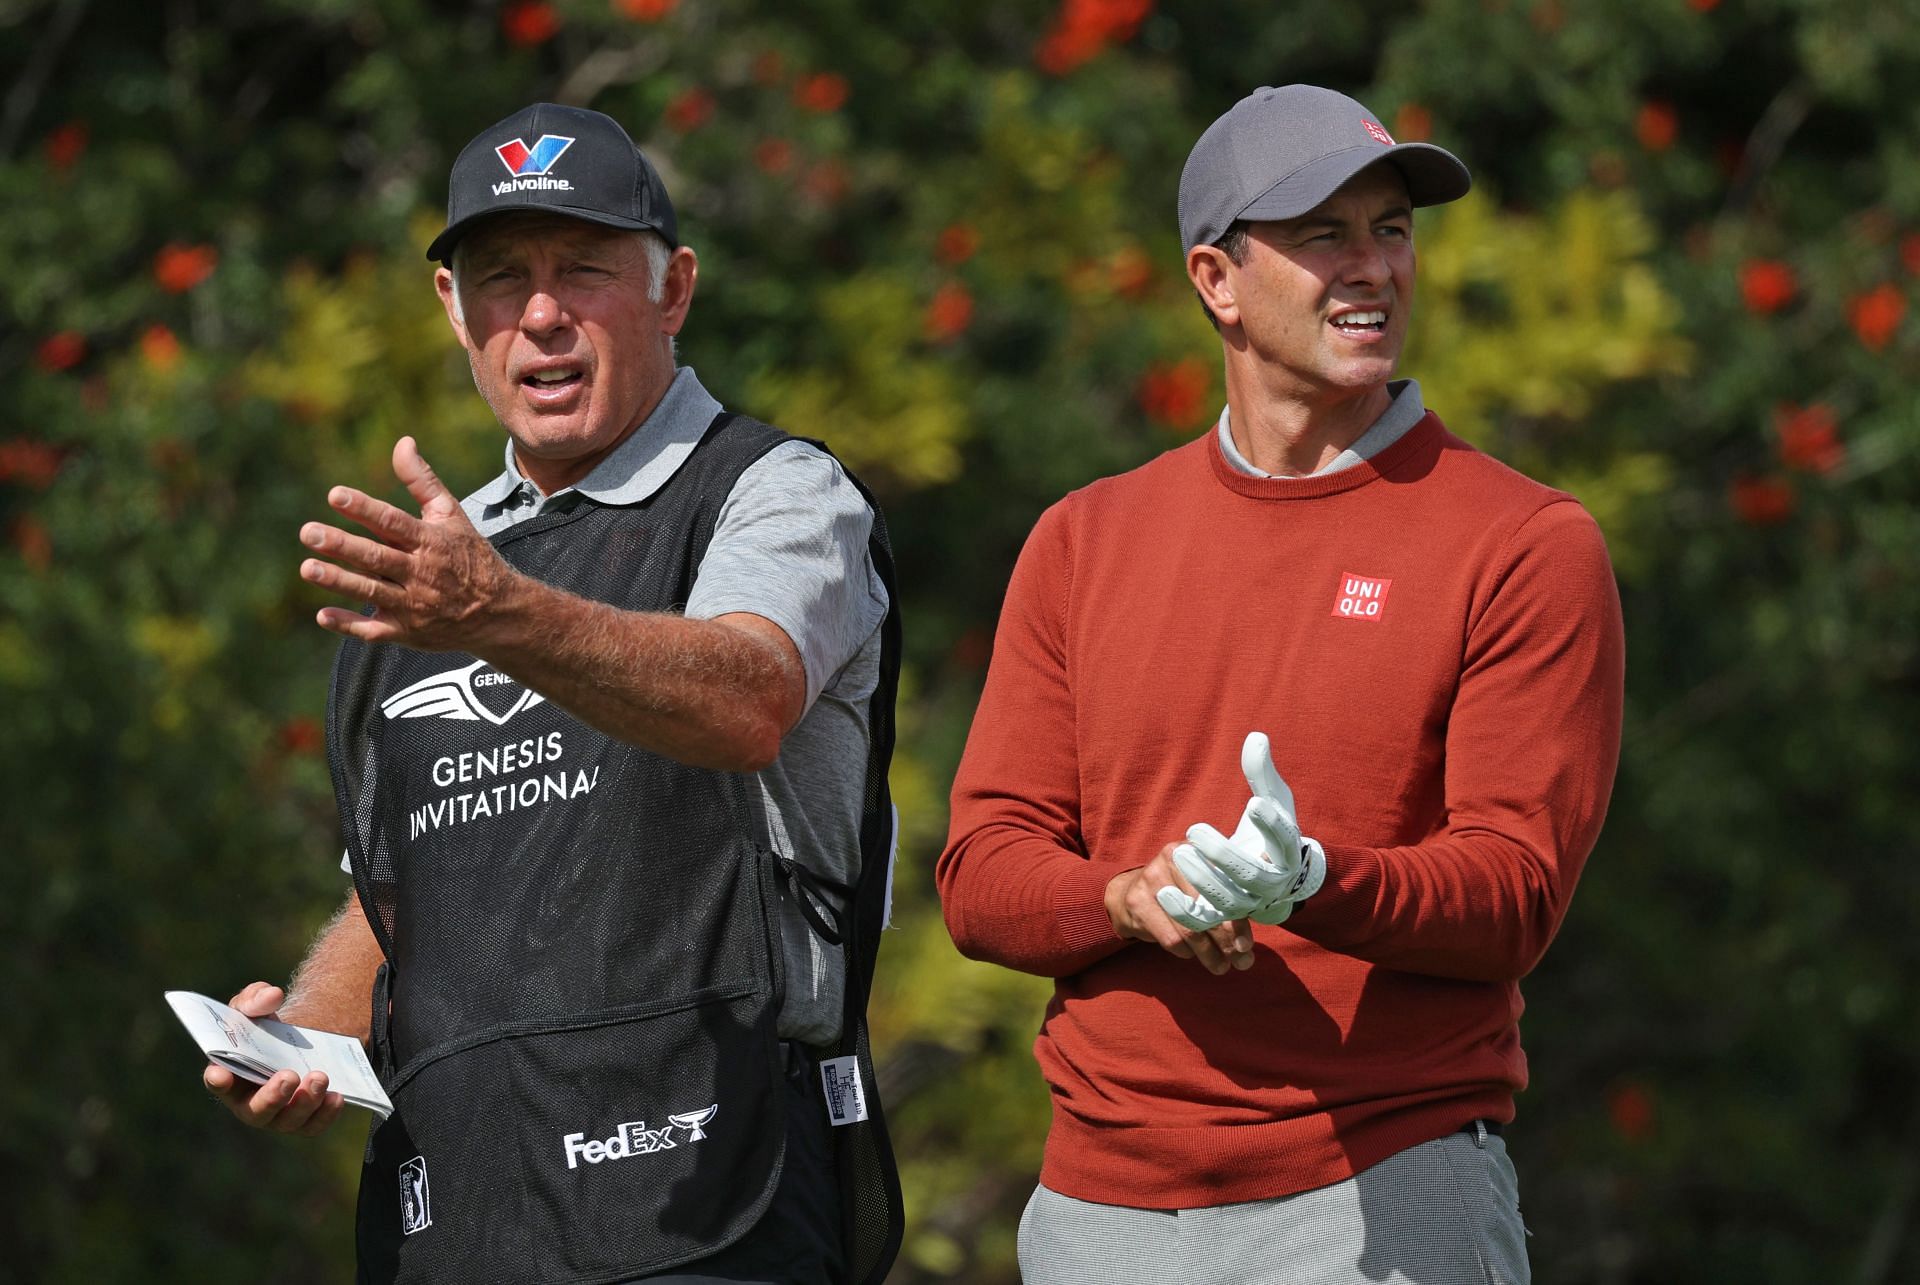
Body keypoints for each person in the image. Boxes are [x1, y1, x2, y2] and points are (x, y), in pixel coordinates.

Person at [201, 102, 903, 1285]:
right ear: (451, 309)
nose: (539, 313)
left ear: (674, 288)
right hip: (464, 1202)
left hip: (710, 1187)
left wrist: (498, 614)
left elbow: (744, 698)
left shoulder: (776, 493)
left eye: (584, 269)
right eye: (500, 277)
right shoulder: (435, 565)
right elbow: (405, 901)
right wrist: (303, 1035)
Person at [937, 84, 1625, 1283]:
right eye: (1324, 235)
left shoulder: (1525, 540)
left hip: (1388, 1180)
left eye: (1392, 231)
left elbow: (1515, 891)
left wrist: (1313, 880)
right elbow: (983, 870)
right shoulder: (1083, 538)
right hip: (1098, 1209)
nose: (1372, 268)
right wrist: (1130, 898)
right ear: (1217, 280)